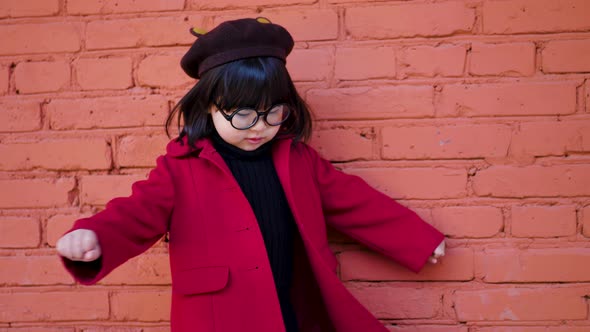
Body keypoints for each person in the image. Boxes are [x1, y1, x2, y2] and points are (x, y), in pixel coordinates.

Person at [56, 17, 446, 332]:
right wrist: (94, 235)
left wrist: (417, 240)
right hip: (220, 317)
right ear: (207, 108)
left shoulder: (298, 159)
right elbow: (137, 213)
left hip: (292, 307)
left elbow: (355, 203)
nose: (259, 126)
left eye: (273, 112)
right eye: (242, 114)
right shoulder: (180, 168)